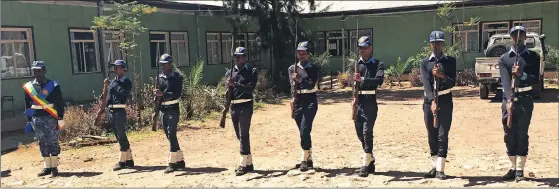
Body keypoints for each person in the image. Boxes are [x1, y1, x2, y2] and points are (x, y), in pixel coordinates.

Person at [498, 26, 539, 181]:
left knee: (522, 133)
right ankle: (513, 167)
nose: (518, 38)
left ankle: (520, 170)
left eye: (521, 35)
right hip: (508, 99)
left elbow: (535, 79)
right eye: (515, 36)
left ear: (525, 37)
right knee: (509, 133)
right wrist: (508, 100)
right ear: (511, 38)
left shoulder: (533, 56)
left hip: (525, 99)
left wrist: (522, 74)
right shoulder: (504, 59)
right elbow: (505, 81)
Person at [420, 31, 456, 180]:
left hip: (445, 99)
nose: (436, 46)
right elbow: (426, 84)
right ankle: (435, 165)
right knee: (431, 133)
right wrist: (432, 100)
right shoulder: (425, 62)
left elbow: (452, 82)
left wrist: (442, 76)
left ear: (443, 44)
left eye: (439, 43)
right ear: (430, 45)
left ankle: (441, 169)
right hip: (429, 101)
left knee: (442, 133)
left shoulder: (450, 61)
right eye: (434, 43)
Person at [349, 36, 384, 177]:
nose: (362, 51)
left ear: (370, 48)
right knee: (359, 132)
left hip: (370, 100)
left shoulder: (377, 64)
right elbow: (352, 83)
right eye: (360, 48)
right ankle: (370, 159)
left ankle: (365, 163)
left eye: (364, 48)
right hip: (358, 100)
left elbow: (378, 81)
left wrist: (362, 79)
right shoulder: (355, 65)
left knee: (367, 131)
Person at [23, 61, 65, 177]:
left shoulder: (53, 85)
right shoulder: (29, 87)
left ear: (44, 70)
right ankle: (47, 167)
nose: (38, 73)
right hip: (37, 118)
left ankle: (54, 167)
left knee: (53, 141)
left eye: (40, 70)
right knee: (42, 142)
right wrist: (28, 119)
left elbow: (60, 102)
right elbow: (27, 104)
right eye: (35, 70)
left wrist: (60, 117)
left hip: (50, 116)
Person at [224, 47, 258, 176]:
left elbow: (250, 89)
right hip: (234, 106)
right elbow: (228, 91)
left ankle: (243, 163)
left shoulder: (251, 71)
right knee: (239, 135)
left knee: (243, 134)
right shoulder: (230, 72)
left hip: (245, 105)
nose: (237, 59)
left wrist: (235, 84)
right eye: (235, 57)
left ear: (245, 57)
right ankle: (249, 162)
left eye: (240, 56)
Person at [288, 41, 320, 172]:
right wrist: (292, 98)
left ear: (308, 54)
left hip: (310, 100)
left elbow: (310, 83)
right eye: (299, 53)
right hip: (298, 101)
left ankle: (303, 159)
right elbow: (291, 85)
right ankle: (309, 156)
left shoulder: (314, 68)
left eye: (303, 53)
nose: (301, 55)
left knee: (304, 130)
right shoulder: (292, 68)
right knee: (303, 131)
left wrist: (299, 80)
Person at [153, 54, 186, 173]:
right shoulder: (159, 77)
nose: (163, 66)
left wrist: (162, 94)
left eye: (165, 64)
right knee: (168, 135)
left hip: (173, 107)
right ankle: (180, 159)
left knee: (172, 133)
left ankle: (172, 163)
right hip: (163, 108)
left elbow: (177, 93)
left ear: (170, 64)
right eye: (161, 64)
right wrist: (156, 101)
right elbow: (157, 95)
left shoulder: (177, 77)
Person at [104, 60, 134, 171]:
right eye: (115, 68)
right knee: (119, 136)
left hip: (120, 111)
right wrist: (106, 86)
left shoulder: (126, 82)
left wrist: (113, 83)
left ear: (123, 69)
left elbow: (122, 93)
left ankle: (122, 161)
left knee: (121, 135)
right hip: (111, 111)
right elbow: (108, 96)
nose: (116, 70)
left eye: (118, 67)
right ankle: (129, 159)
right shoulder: (112, 82)